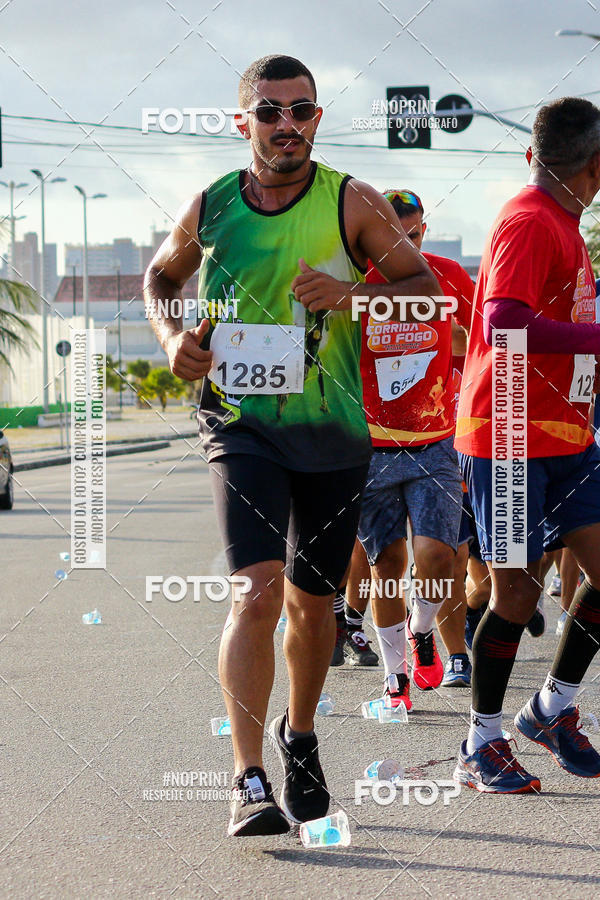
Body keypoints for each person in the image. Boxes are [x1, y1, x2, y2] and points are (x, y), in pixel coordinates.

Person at [144, 54, 441, 836]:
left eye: (301, 110)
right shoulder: (211, 205)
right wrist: (173, 337)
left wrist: (352, 293)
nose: (287, 125)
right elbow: (159, 278)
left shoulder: (352, 201)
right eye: (270, 112)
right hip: (241, 423)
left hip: (334, 429)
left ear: (317, 117)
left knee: (314, 606)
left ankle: (299, 736)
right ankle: (246, 778)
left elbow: (425, 290)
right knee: (256, 588)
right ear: (242, 122)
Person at [454, 97, 600, 793]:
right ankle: (480, 743)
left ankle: (549, 710)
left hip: (566, 434)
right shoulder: (530, 221)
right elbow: (506, 322)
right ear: (596, 166)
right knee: (515, 593)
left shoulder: (565, 224)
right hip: (509, 435)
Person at [355, 188, 473, 710]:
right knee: (387, 567)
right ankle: (394, 675)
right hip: (370, 449)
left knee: (438, 557)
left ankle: (421, 627)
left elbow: (488, 336)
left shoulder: (447, 275)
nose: (409, 242)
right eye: (397, 234)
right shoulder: (353, 280)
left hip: (435, 442)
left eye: (417, 232)